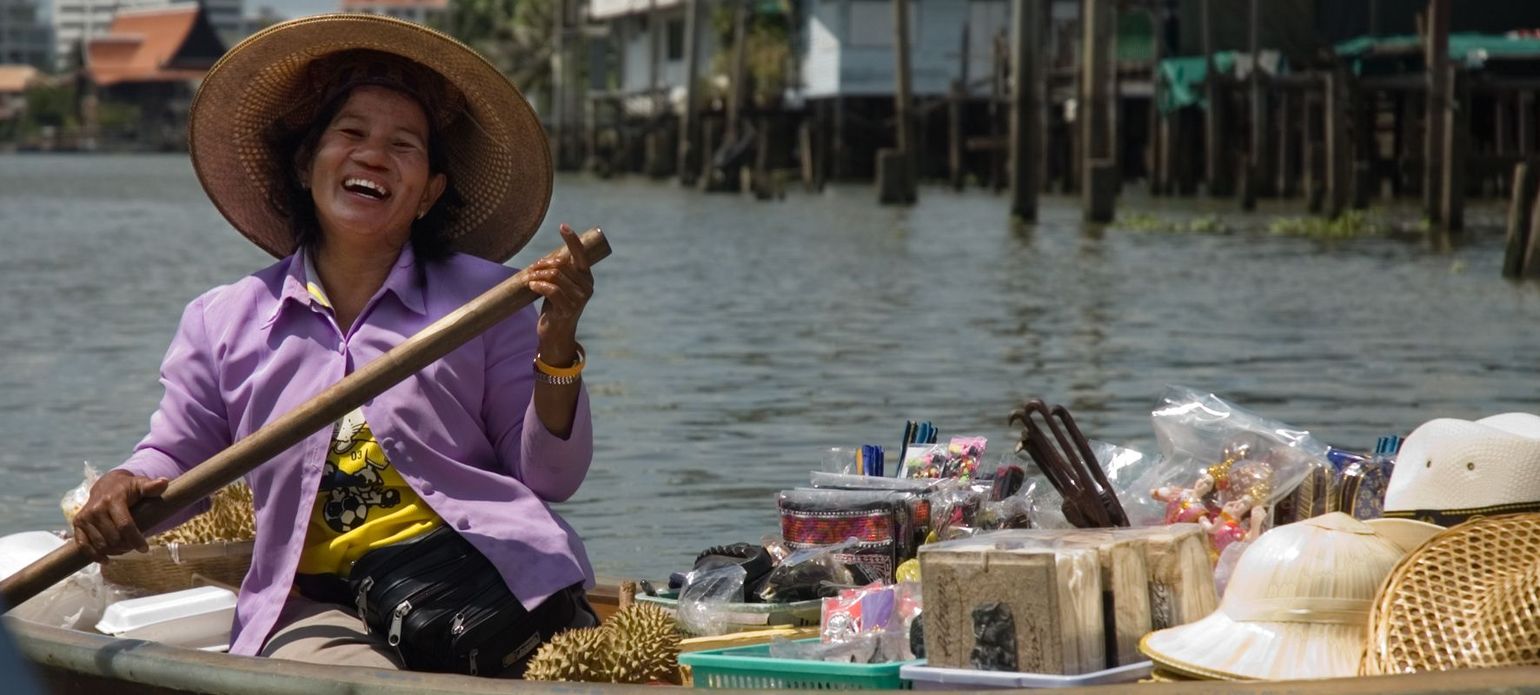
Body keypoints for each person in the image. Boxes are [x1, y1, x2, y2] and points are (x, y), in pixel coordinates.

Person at [68, 15, 598, 676]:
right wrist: (120, 488)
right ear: (304, 163)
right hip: (325, 607)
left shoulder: (488, 300)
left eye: (404, 145)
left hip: (486, 579)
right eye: (350, 134)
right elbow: (174, 459)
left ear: (430, 190)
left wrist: (556, 346)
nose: (373, 155)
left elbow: (551, 478)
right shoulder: (226, 321)